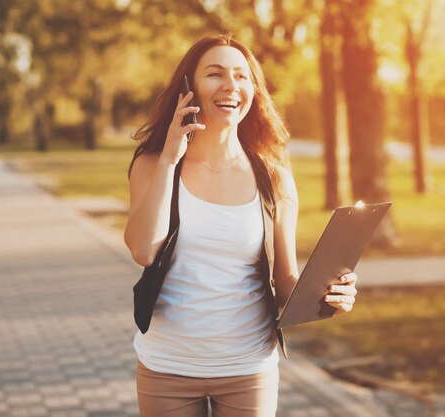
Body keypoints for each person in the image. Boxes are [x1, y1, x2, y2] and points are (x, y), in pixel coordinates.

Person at [123, 34, 358, 417]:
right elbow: (143, 250)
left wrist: (329, 295)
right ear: (189, 87)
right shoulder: (152, 166)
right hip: (167, 367)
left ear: (253, 90)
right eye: (215, 74)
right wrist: (169, 159)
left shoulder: (274, 178)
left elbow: (285, 283)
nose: (231, 85)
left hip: (248, 369)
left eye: (241, 76)